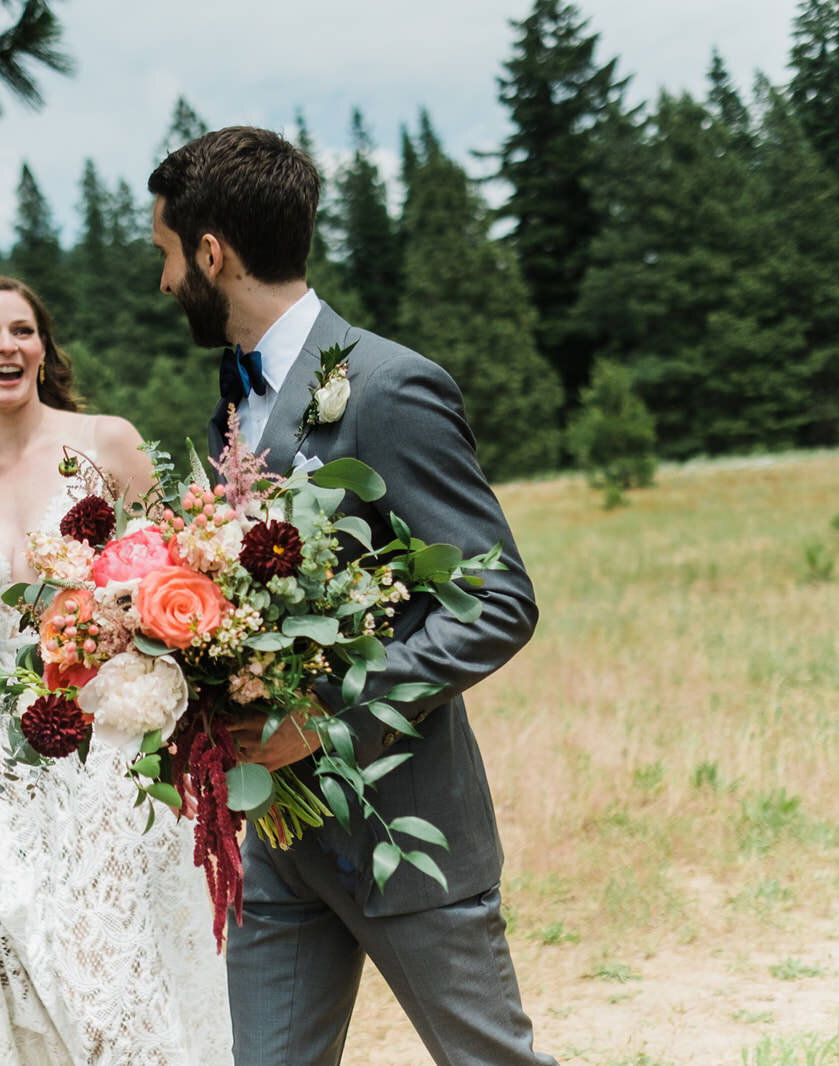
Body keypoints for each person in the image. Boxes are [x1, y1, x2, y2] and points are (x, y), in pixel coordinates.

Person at [148, 129, 556, 1066]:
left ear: (213, 254)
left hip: (402, 832)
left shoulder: (387, 385)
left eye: (167, 256)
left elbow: (497, 602)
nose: (165, 283)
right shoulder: (231, 399)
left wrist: (326, 719)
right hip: (280, 844)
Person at [0, 276, 232, 1066]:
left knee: (111, 968)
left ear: (43, 348)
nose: (7, 347)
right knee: (23, 957)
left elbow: (178, 574)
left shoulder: (106, 442)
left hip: (112, 741)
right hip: (4, 757)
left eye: (22, 330)